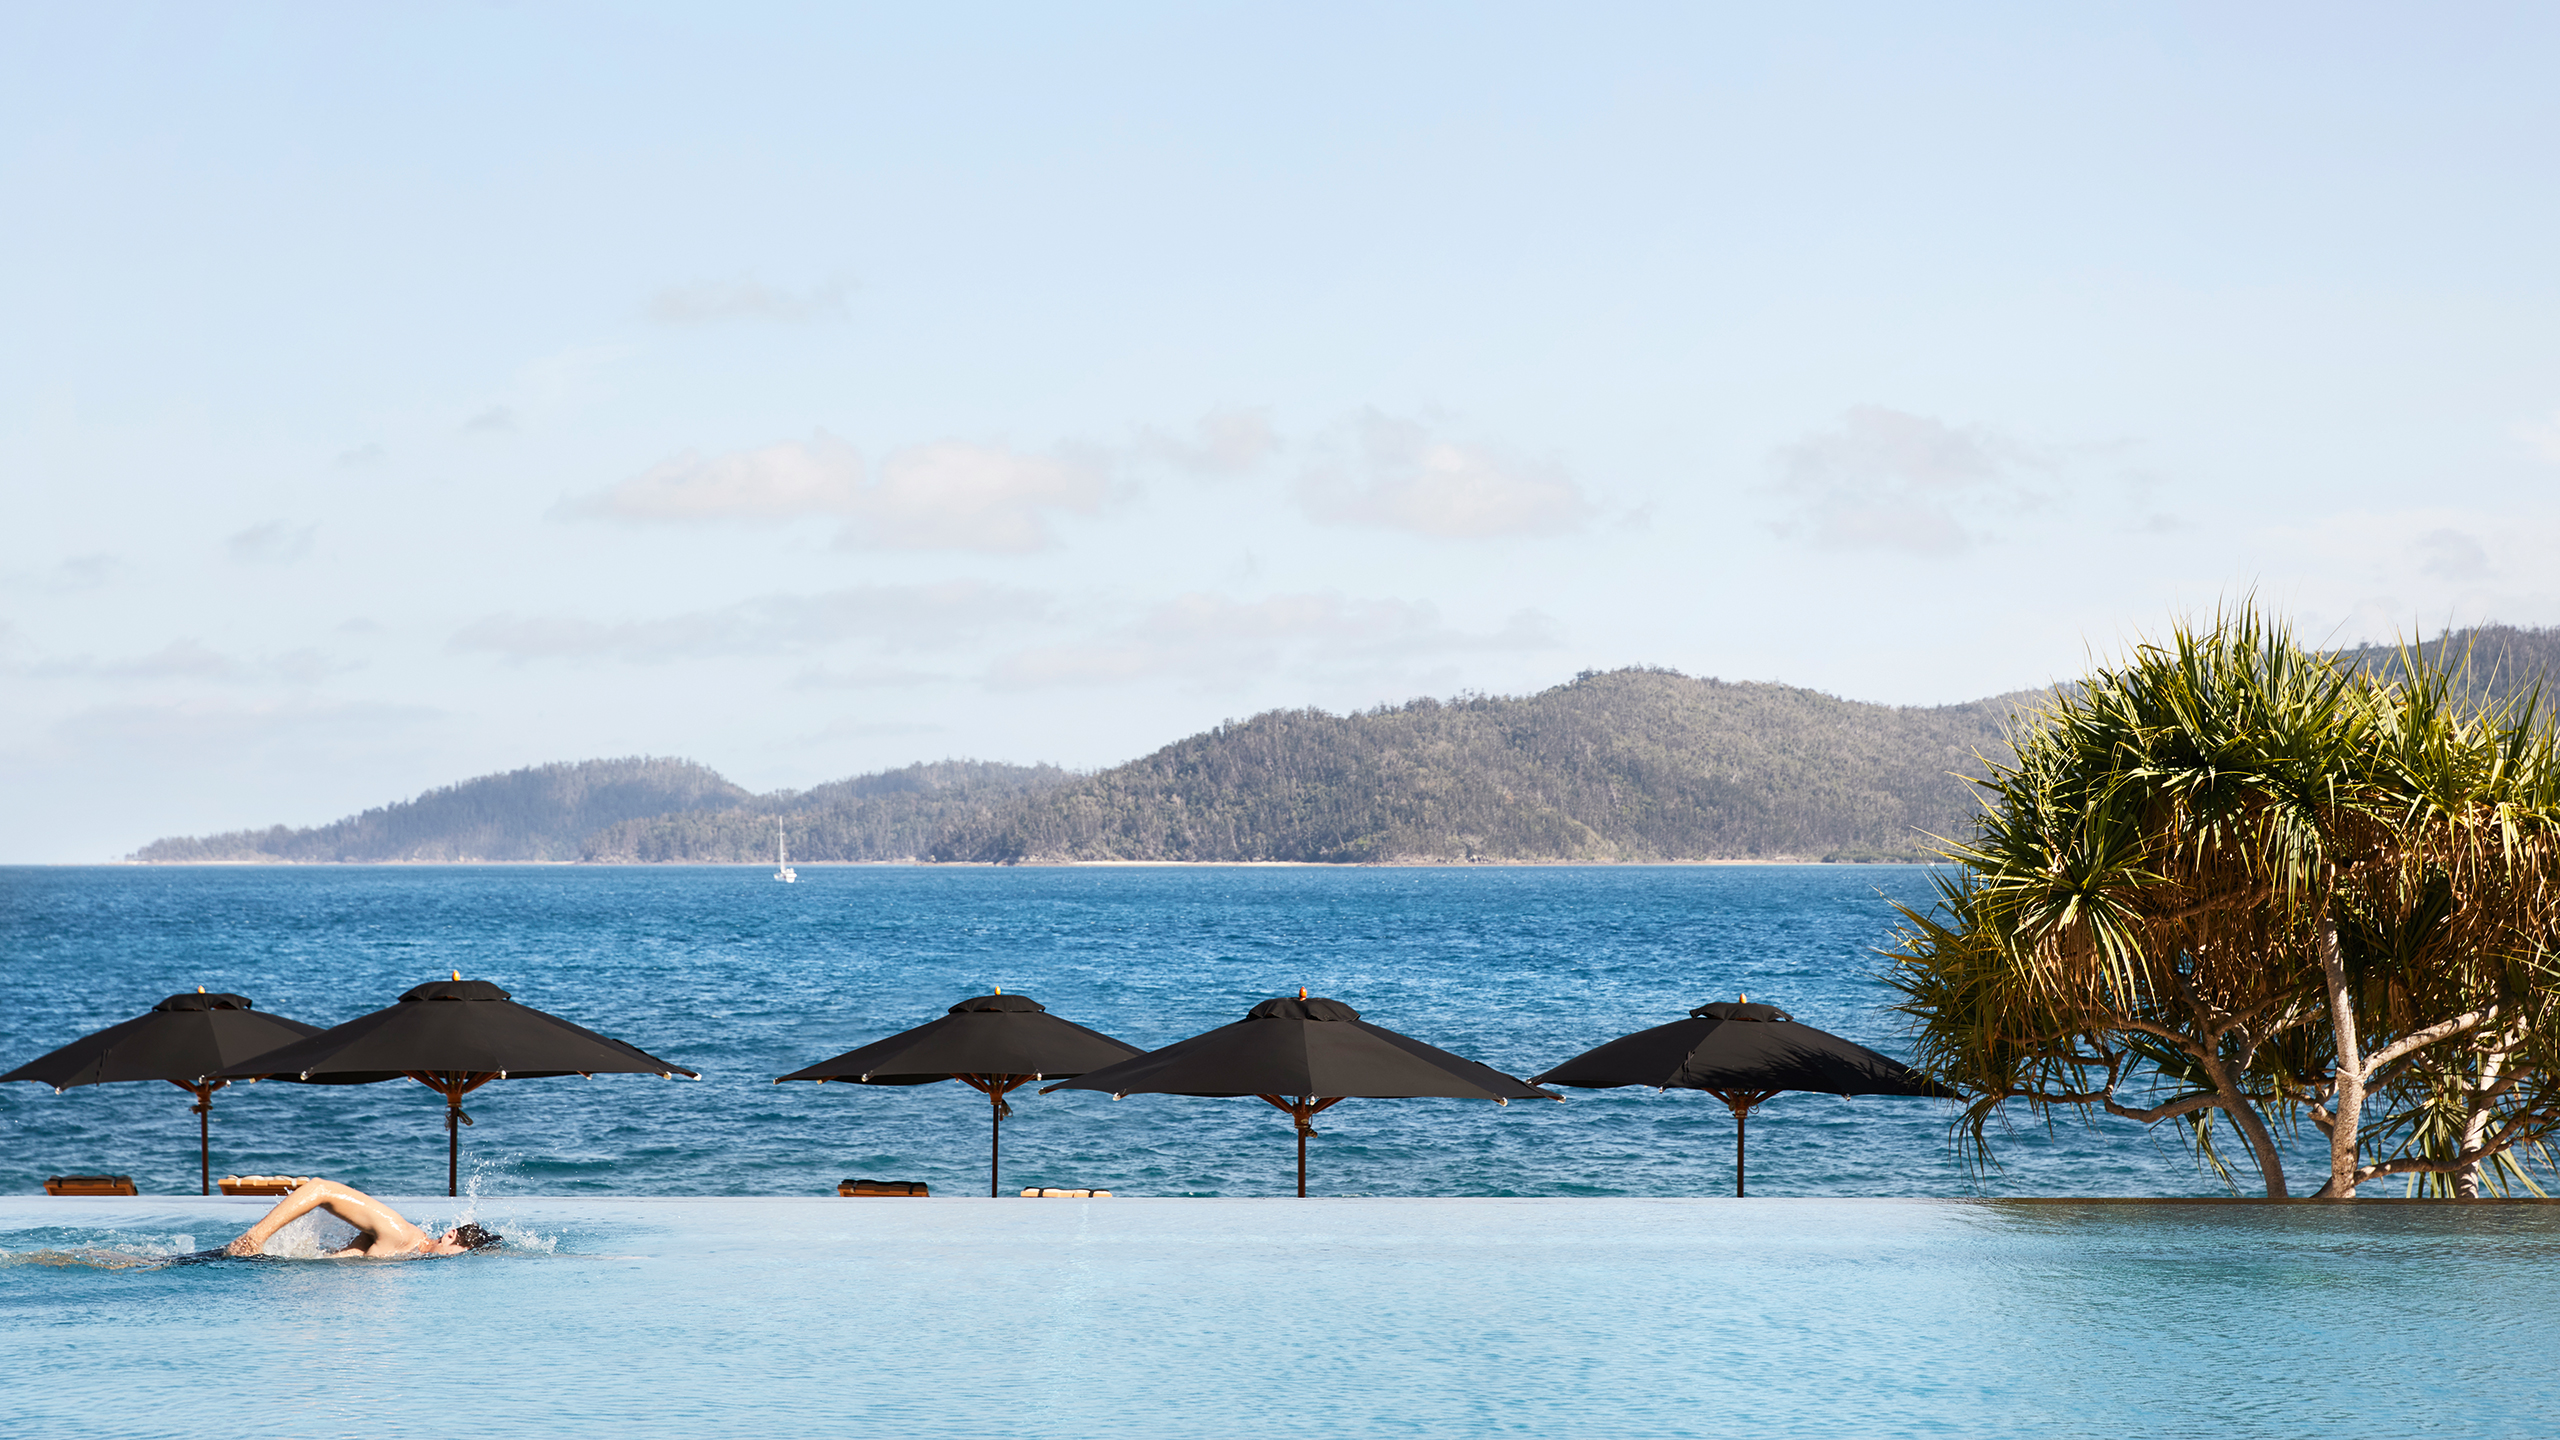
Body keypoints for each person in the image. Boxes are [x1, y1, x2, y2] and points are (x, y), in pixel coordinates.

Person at [224, 1178, 500, 1258]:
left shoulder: (410, 1253)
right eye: (453, 1256)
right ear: (450, 1235)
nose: (446, 1263)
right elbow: (320, 1189)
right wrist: (256, 1237)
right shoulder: (398, 1233)